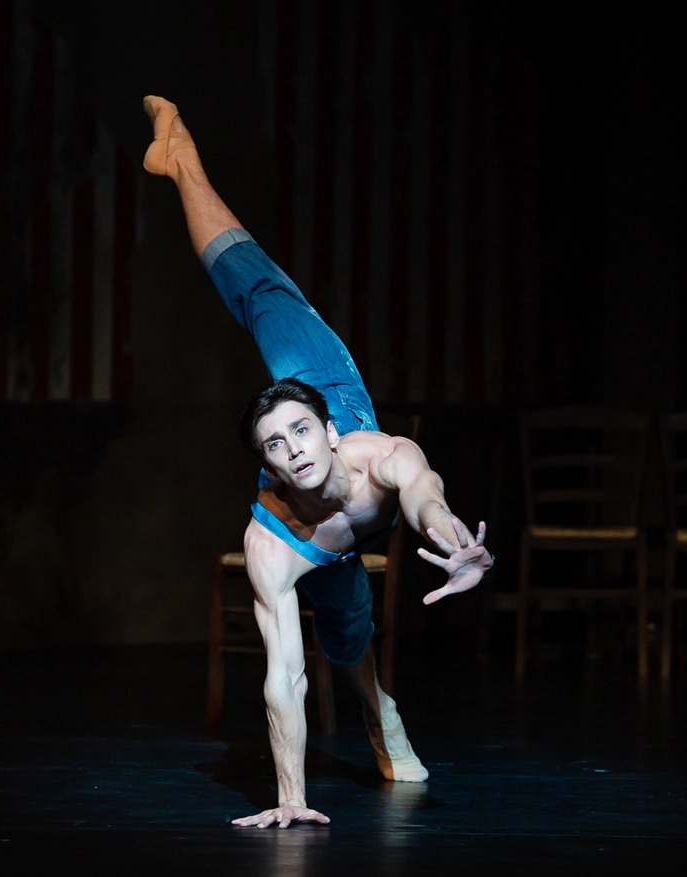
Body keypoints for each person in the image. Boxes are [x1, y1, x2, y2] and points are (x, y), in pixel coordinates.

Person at [142, 96, 493, 829]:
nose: (292, 450)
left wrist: (452, 537)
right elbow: (282, 678)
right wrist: (291, 797)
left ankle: (179, 157)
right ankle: (179, 160)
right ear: (265, 462)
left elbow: (421, 487)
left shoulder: (370, 453)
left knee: (263, 292)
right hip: (316, 540)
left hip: (325, 387)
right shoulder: (269, 537)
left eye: (300, 435)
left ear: (326, 433)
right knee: (336, 630)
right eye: (275, 445)